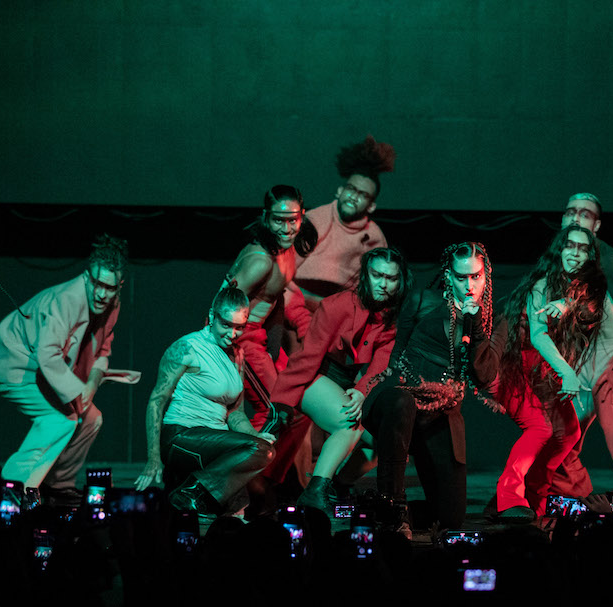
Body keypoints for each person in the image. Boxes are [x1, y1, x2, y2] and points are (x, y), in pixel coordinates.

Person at [0, 234, 132, 505]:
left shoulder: (113, 305)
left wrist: (91, 383)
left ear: (119, 286)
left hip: (47, 368)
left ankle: (58, 483)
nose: (101, 294)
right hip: (16, 361)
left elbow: (103, 349)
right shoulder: (66, 299)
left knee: (91, 419)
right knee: (60, 420)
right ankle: (12, 488)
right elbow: (47, 355)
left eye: (109, 288)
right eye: (97, 284)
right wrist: (78, 391)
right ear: (87, 277)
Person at [362, 242, 502, 534]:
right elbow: (397, 355)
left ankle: (375, 510)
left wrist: (475, 324)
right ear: (449, 276)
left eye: (475, 277)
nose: (469, 286)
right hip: (400, 400)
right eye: (461, 277)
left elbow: (484, 375)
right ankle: (393, 508)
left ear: (485, 276)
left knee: (450, 519)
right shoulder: (423, 299)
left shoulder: (488, 319)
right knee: (401, 402)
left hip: (440, 415)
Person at [268, 248, 412, 514]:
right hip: (313, 376)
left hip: (346, 381)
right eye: (377, 275)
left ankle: (338, 486)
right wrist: (282, 401)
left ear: (400, 281)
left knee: (386, 442)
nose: (383, 283)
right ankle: (314, 492)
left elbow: (381, 365)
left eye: (391, 278)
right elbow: (309, 357)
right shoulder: (336, 305)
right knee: (349, 423)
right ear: (365, 275)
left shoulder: (392, 317)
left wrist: (361, 391)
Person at [493, 224, 607, 520]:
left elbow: (589, 310)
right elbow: (538, 335)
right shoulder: (541, 285)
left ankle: (533, 495)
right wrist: (567, 373)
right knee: (541, 429)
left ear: (590, 256)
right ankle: (508, 496)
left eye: (582, 248)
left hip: (544, 366)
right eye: (570, 245)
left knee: (569, 432)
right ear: (559, 249)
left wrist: (568, 304)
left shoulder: (590, 287)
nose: (575, 253)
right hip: (516, 363)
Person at [133, 287, 276, 515]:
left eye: (239, 327)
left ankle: (200, 502)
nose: (232, 334)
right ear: (212, 316)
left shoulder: (237, 355)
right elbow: (156, 402)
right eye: (226, 325)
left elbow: (235, 412)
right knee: (260, 451)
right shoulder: (188, 348)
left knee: (239, 507)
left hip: (214, 440)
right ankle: (190, 492)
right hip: (181, 435)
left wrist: (255, 436)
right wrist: (153, 458)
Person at [546, 192, 613, 502]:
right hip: (579, 357)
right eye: (571, 211)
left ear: (597, 225)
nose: (576, 217)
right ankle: (575, 494)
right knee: (561, 433)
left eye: (585, 214)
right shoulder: (554, 256)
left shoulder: (608, 258)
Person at [223, 185, 317, 430]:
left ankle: (270, 458)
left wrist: (278, 348)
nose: (286, 229)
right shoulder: (260, 262)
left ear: (302, 216)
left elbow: (280, 297)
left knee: (300, 407)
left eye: (292, 220)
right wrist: (215, 353)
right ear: (266, 217)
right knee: (274, 411)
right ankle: (247, 457)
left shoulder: (287, 250)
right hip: (241, 340)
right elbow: (220, 305)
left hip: (262, 338)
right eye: (278, 220)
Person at [291, 136, 395, 308]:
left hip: (342, 310)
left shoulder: (375, 237)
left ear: (371, 206)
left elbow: (376, 291)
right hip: (297, 301)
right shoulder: (316, 218)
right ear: (340, 191)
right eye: (351, 189)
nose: (354, 197)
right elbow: (285, 271)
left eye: (363, 195)